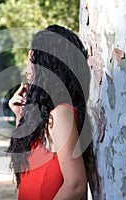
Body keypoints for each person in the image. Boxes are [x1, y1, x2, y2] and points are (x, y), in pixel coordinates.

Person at [7, 25, 95, 200]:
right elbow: (28, 174)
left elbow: (75, 184)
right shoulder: (45, 117)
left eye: (31, 60)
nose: (26, 69)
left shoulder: (62, 114)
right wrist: (19, 116)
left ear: (48, 65)